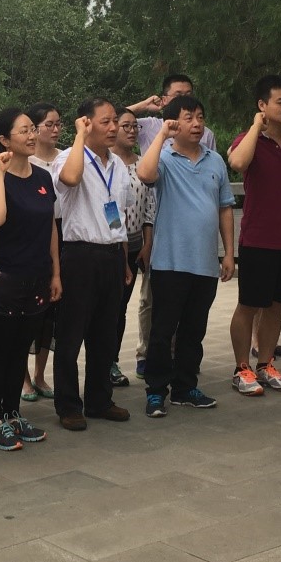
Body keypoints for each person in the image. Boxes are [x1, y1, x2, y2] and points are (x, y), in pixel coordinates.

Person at [137, 96, 236, 417]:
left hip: (205, 263)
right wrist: (162, 136)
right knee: (162, 331)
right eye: (188, 117)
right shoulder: (164, 158)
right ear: (173, 123)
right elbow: (145, 174)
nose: (196, 124)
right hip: (170, 262)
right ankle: (156, 391)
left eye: (200, 117)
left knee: (194, 331)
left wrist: (229, 253)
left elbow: (225, 208)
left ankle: (185, 387)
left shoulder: (215, 160)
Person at [226, 75, 281, 397]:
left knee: (277, 305)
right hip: (258, 238)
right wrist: (255, 127)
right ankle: (241, 368)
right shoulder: (247, 140)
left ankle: (265, 364)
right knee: (249, 305)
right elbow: (237, 162)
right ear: (262, 105)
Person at [51, 98, 133, 430]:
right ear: (86, 123)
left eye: (115, 121)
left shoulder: (118, 165)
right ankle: (69, 405)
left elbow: (118, 215)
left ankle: (100, 400)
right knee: (71, 335)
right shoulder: (68, 157)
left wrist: (123, 259)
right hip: (80, 255)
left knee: (105, 334)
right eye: (105, 121)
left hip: (112, 254)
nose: (113, 127)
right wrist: (79, 137)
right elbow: (70, 179)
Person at [0, 108, 59, 450]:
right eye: (23, 131)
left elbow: (51, 226)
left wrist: (56, 272)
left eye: (32, 129)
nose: (31, 135)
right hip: (3, 279)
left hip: (37, 277)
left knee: (20, 351)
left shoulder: (43, 177)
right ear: (4, 140)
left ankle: (13, 414)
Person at [111, 106, 155, 387]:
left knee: (124, 305)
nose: (131, 131)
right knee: (112, 307)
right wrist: (122, 243)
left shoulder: (142, 163)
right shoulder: (107, 163)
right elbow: (110, 209)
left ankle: (115, 358)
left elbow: (149, 204)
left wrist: (147, 243)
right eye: (125, 126)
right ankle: (108, 361)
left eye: (134, 126)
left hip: (140, 241)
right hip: (114, 245)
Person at [22, 101, 62, 402]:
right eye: (49, 124)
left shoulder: (67, 157)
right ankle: (23, 378)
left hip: (59, 232)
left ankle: (40, 375)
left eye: (58, 123)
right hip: (31, 236)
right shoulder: (25, 161)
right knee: (26, 312)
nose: (55, 129)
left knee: (50, 313)